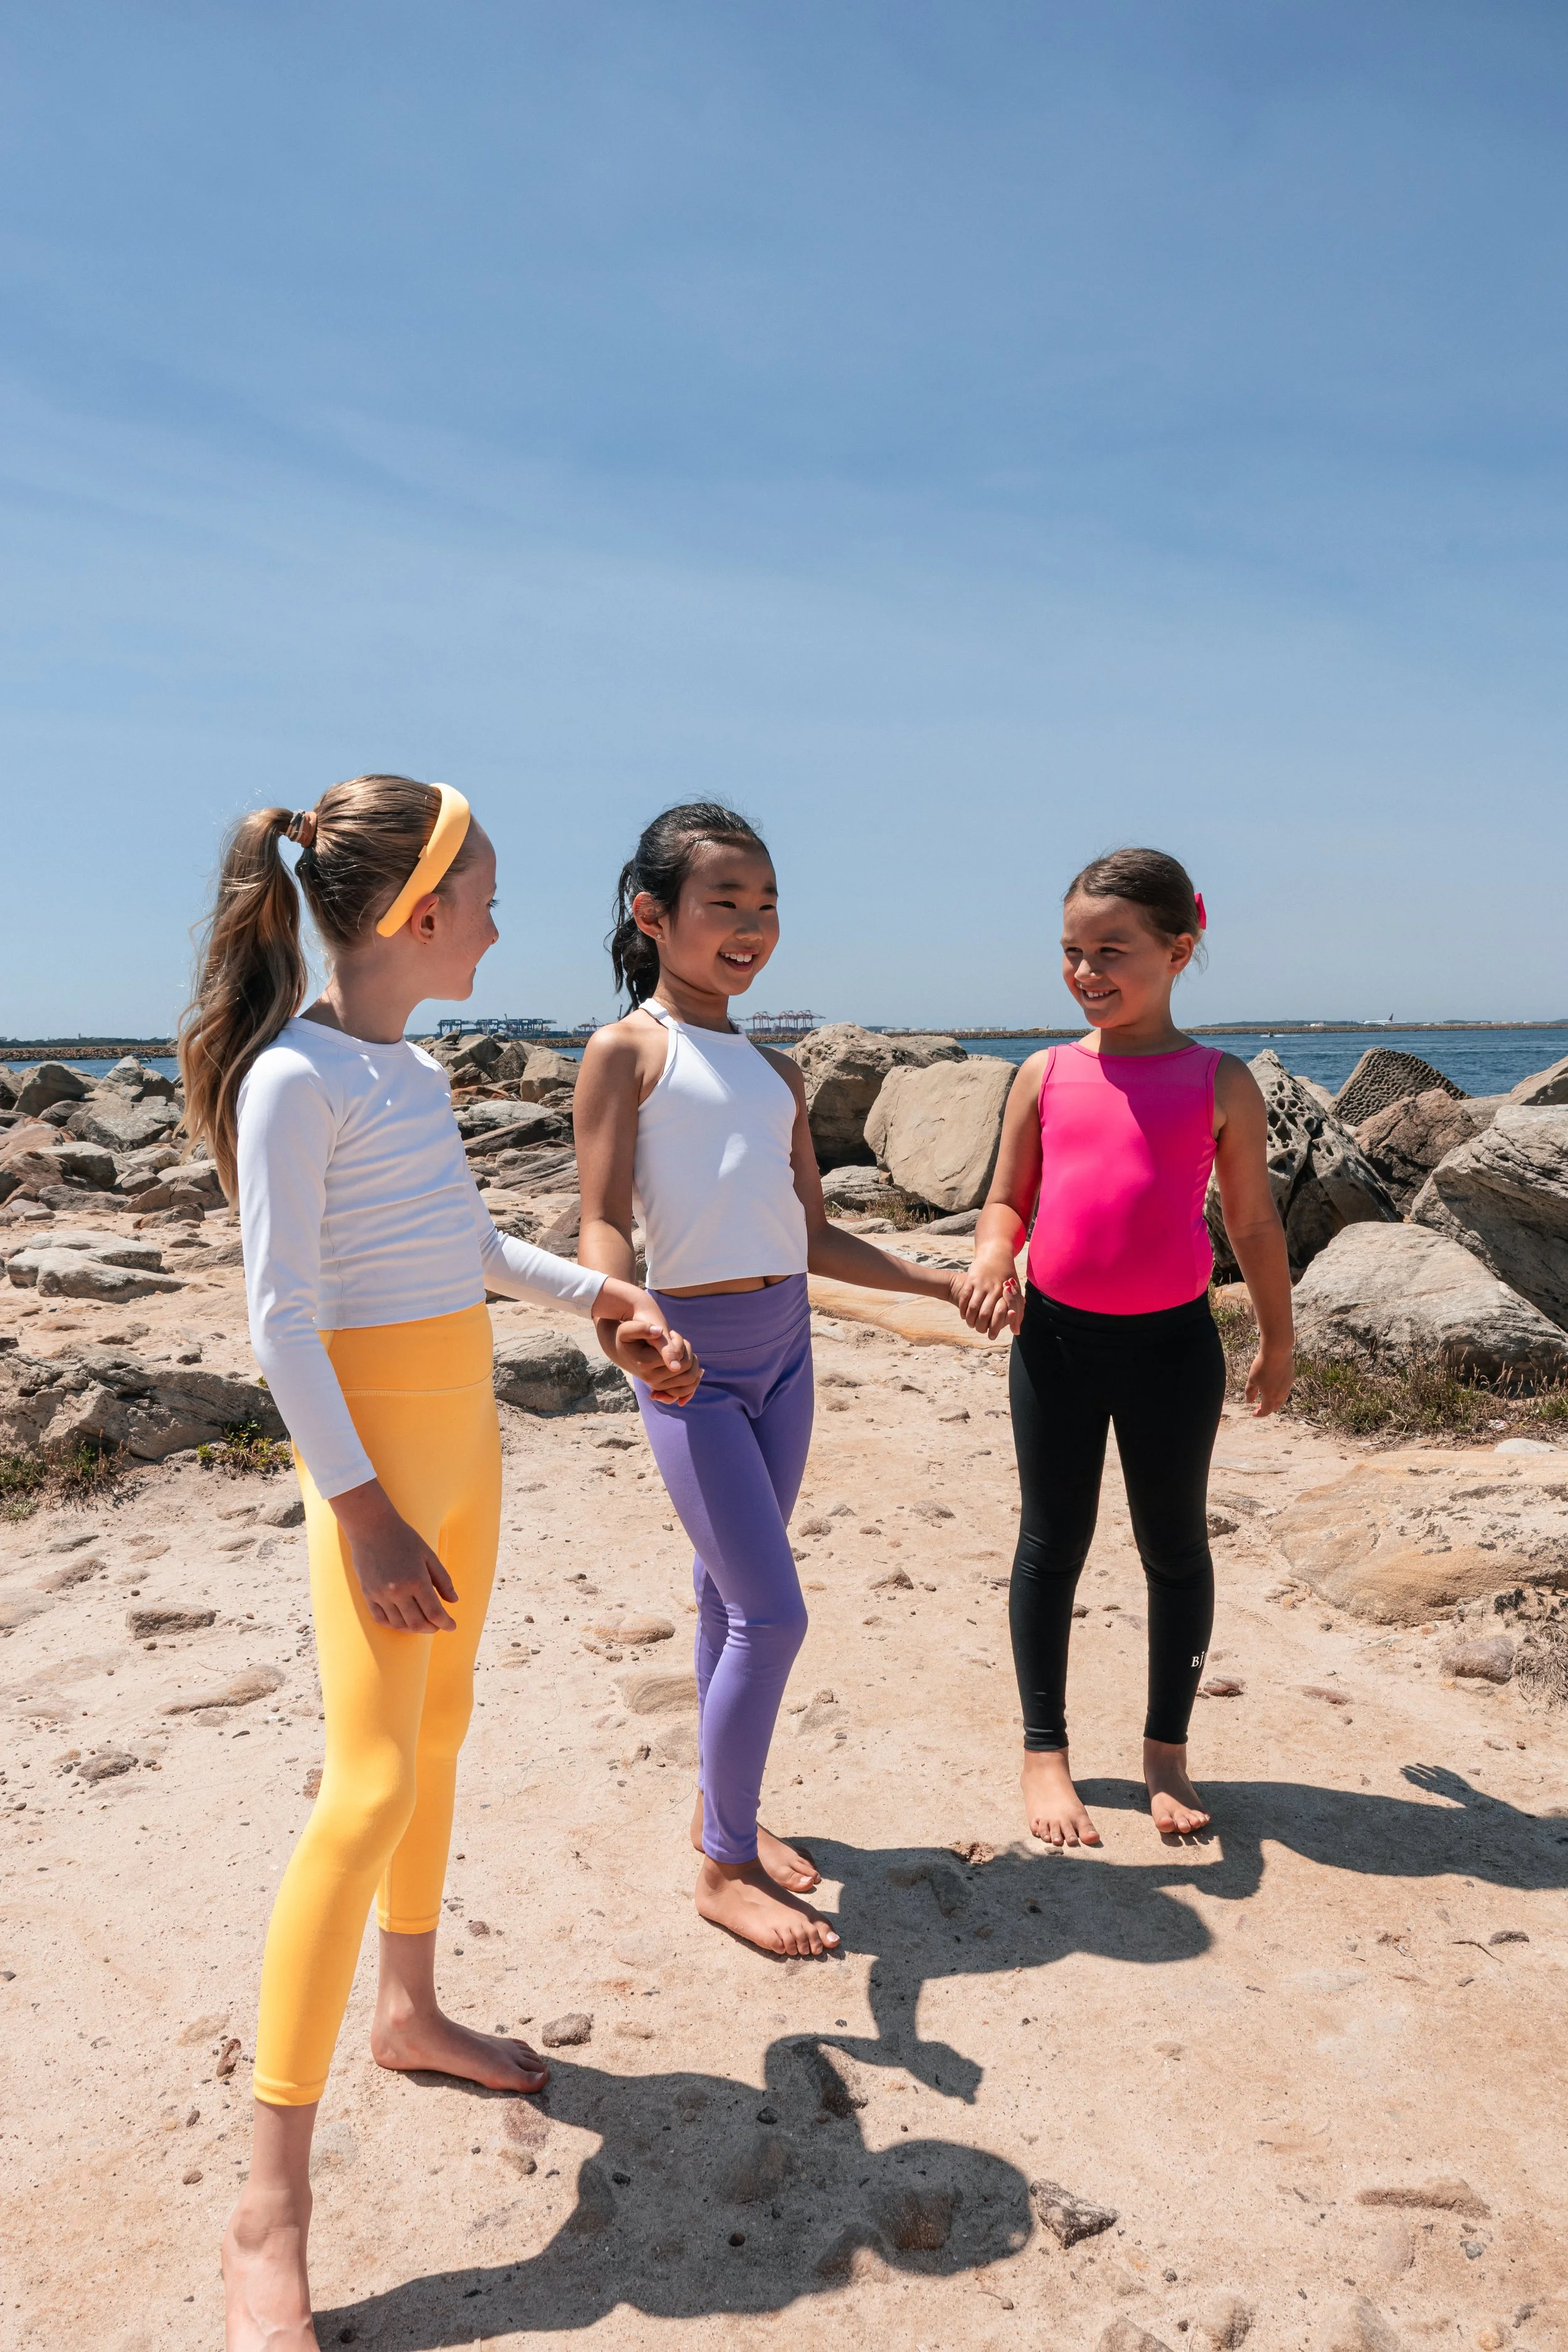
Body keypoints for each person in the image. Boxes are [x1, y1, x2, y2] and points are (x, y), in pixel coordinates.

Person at [179, 774, 699, 2352]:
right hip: (380, 1480)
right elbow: (279, 1320)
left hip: (458, 1449)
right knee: (365, 1786)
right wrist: (360, 1510)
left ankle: (405, 2013)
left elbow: (464, 1245)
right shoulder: (293, 1081)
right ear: (417, 911)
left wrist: (596, 1302)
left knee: (444, 1734)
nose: (495, 918)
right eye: (481, 893)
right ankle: (269, 2205)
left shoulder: (398, 1069)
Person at [574, 802, 972, 1959]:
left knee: (722, 1599)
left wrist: (940, 1284)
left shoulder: (777, 1068)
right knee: (771, 1609)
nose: (750, 926)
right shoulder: (626, 1051)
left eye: (766, 905)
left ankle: (722, 1807)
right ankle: (723, 1866)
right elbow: (600, 1223)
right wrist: (626, 1324)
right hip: (687, 1358)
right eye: (723, 904)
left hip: (787, 1348)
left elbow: (812, 1236)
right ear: (654, 916)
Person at [956, 848, 1292, 1848]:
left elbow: (1255, 1225)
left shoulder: (1220, 1080)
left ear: (1179, 949)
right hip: (1055, 1342)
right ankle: (1044, 1751)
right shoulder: (1046, 1072)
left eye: (1113, 949)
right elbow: (1009, 1195)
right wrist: (991, 1256)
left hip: (1174, 1351)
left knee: (1175, 1548)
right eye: (1071, 951)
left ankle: (1166, 1750)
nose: (1086, 971)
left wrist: (1278, 1338)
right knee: (1051, 1542)